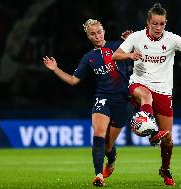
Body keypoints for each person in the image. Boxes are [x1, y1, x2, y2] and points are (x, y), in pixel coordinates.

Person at [43, 19, 167, 187]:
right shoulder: (89, 58)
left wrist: (133, 41)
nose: (97, 36)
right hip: (103, 99)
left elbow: (144, 49)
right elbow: (73, 80)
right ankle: (98, 175)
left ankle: (112, 158)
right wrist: (55, 69)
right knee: (98, 134)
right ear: (88, 36)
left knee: (108, 146)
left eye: (99, 32)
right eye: (93, 34)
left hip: (122, 101)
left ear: (104, 31)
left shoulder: (118, 45)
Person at [112, 3, 181, 186]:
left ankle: (165, 168)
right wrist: (129, 56)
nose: (158, 28)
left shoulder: (172, 39)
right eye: (155, 24)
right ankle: (150, 130)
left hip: (163, 91)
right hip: (139, 84)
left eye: (162, 24)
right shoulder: (136, 37)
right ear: (148, 23)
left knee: (167, 139)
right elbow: (115, 55)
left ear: (165, 23)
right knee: (146, 97)